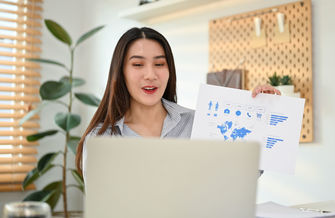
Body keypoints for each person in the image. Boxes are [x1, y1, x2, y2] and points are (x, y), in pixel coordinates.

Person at [75, 27, 281, 179]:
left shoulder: (199, 124)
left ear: (169, 70)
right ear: (120, 72)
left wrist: (264, 114)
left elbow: (244, 174)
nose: (150, 75)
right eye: (138, 64)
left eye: (159, 64)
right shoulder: (101, 140)